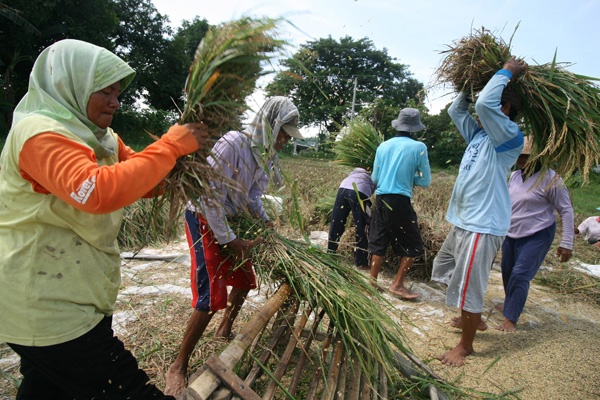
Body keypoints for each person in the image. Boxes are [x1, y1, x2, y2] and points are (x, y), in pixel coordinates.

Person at [0, 39, 209, 399]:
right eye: (105, 92)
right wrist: (171, 146)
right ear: (72, 84)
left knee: (47, 388)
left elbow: (137, 180)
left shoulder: (101, 137)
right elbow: (97, 192)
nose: (115, 101)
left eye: (117, 93)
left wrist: (181, 171)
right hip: (45, 304)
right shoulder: (40, 134)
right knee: (127, 390)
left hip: (77, 294)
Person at [165, 96, 304, 396]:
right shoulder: (234, 144)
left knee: (244, 278)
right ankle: (178, 364)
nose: (284, 140)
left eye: (287, 135)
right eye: (283, 132)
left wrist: (265, 221)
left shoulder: (264, 155)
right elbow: (208, 194)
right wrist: (229, 240)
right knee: (211, 294)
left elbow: (253, 196)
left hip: (231, 218)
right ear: (271, 125)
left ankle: (225, 327)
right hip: (203, 215)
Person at [431, 56, 527, 367]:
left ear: (507, 109)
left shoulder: (509, 137)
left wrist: (508, 72)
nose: (479, 111)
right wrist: (466, 88)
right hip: (463, 220)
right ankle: (472, 319)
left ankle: (466, 345)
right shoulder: (479, 135)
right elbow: (456, 111)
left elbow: (486, 103)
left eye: (495, 104)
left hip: (482, 225)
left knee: (470, 284)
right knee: (444, 268)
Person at [496, 136, 574, 332]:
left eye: (527, 157)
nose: (522, 162)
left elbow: (566, 210)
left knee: (520, 274)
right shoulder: (514, 176)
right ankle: (510, 303)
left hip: (538, 234)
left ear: (539, 158)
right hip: (512, 233)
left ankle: (511, 318)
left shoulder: (551, 179)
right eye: (520, 157)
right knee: (507, 272)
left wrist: (567, 242)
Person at [368, 108, 431, 300]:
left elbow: (375, 178)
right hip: (400, 200)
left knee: (379, 239)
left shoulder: (383, 146)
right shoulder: (419, 147)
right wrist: (410, 177)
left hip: (381, 199)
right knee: (413, 244)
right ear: (414, 128)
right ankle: (397, 284)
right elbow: (425, 181)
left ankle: (372, 282)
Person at [327, 167, 375, 269]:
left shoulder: (358, 168)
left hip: (343, 188)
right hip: (359, 191)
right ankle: (362, 262)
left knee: (337, 222)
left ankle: (330, 254)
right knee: (363, 225)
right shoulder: (378, 169)